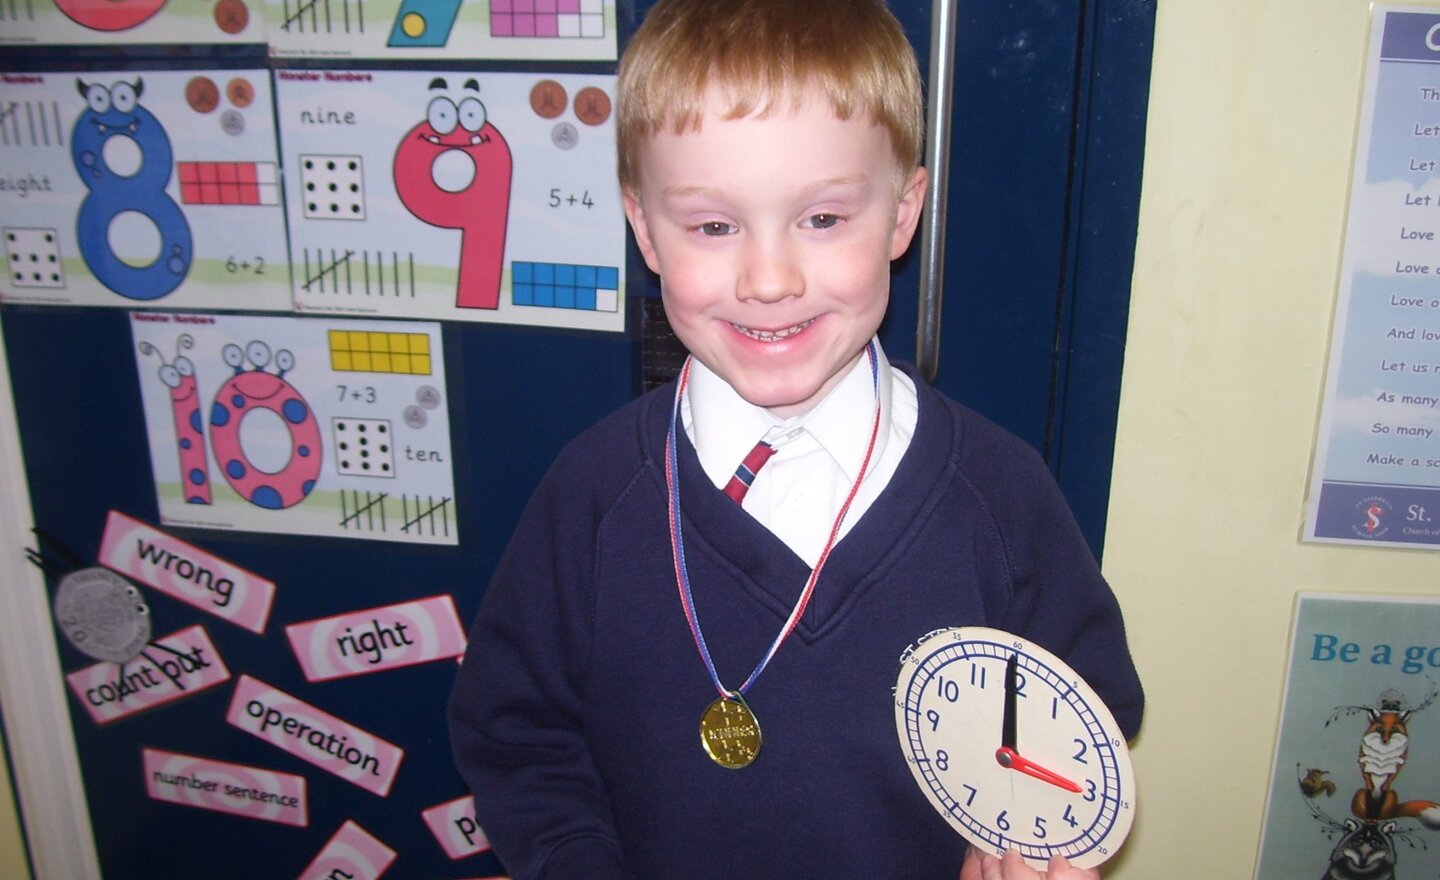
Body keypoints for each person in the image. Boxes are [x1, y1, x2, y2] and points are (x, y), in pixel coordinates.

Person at [447, 1, 1143, 877]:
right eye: (712, 226)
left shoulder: (1001, 496)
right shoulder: (592, 493)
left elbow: (1085, 712)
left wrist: (1017, 840)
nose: (768, 280)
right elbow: (517, 729)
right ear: (644, 231)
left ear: (902, 214)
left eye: (822, 220)